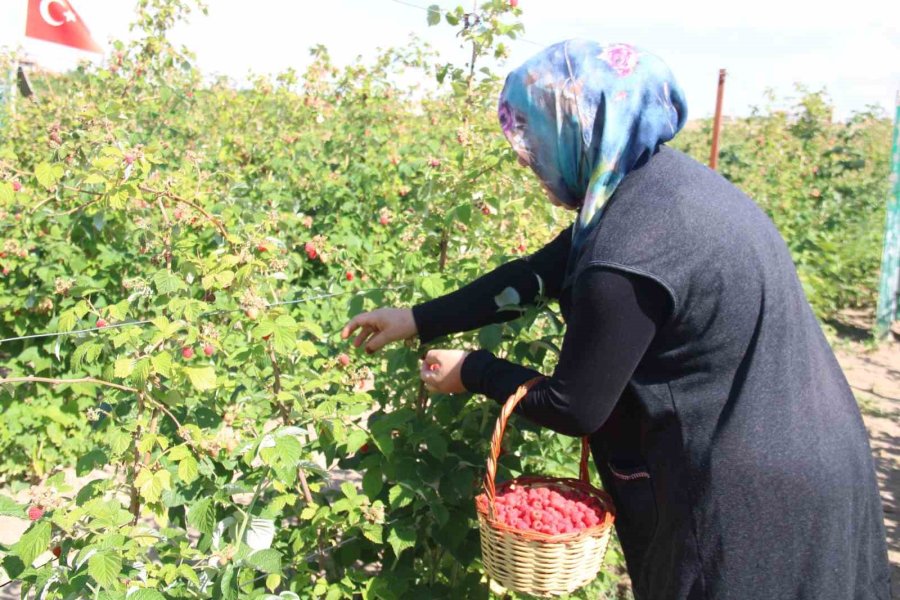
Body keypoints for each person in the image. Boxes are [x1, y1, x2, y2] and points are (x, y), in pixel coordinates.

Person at [340, 39, 891, 600]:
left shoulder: (627, 249)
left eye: (534, 136)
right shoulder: (658, 183)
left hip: (748, 493)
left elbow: (575, 405)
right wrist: (417, 318)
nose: (525, 157)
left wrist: (473, 369)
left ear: (582, 128)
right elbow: (539, 272)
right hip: (812, 444)